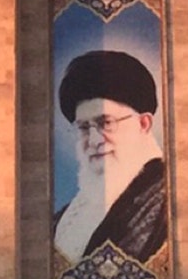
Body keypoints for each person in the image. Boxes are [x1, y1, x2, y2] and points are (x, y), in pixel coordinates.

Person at [53, 50, 168, 264]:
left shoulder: (167, 198)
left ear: (144, 124)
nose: (94, 140)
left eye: (106, 123)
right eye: (84, 127)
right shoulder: (65, 217)